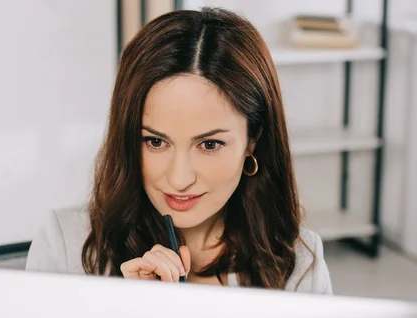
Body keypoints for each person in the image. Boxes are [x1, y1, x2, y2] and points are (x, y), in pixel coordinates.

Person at [25, 7, 333, 294]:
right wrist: (125, 313)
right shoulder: (63, 248)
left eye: (209, 144)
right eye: (155, 142)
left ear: (253, 141)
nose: (179, 178)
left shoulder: (300, 264)